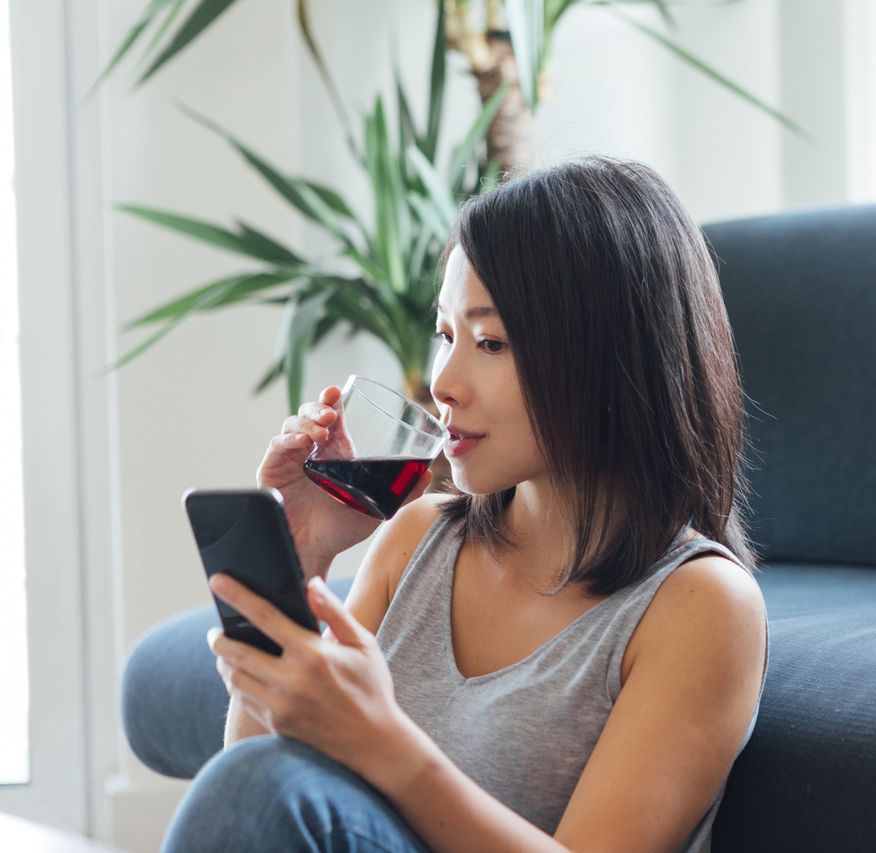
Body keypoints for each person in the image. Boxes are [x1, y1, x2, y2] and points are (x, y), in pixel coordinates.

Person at [160, 156, 770, 852]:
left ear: (607, 353)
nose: (443, 381)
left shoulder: (701, 605)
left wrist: (382, 740)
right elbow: (261, 792)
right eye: (446, 334)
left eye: (490, 342)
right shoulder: (416, 539)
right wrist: (299, 566)